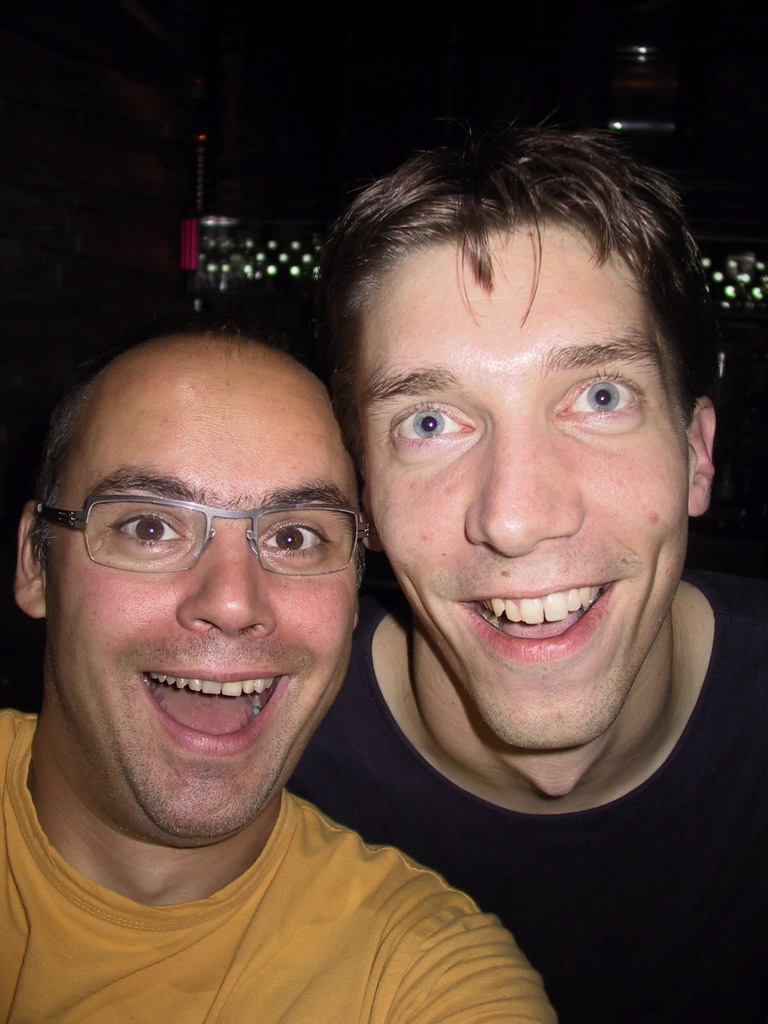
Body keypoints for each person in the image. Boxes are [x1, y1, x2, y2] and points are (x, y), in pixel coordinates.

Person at [291, 126, 768, 1023]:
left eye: (599, 397)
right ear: (363, 496)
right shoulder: (255, 768)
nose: (515, 518)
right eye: (429, 423)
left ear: (698, 456)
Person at [1, 328, 555, 1023]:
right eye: (150, 528)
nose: (233, 602)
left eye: (294, 537)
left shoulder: (420, 975)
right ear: (35, 562)